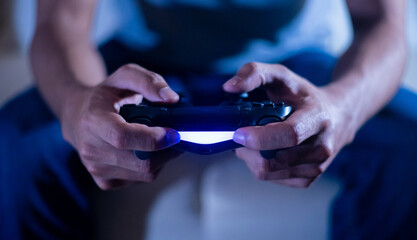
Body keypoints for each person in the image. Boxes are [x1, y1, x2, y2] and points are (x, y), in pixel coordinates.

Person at [1, 0, 416, 239]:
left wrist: (342, 109)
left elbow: (383, 21)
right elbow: (60, 21)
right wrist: (77, 108)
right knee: (11, 154)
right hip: (141, 63)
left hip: (294, 66)